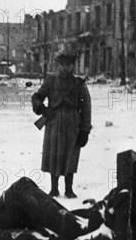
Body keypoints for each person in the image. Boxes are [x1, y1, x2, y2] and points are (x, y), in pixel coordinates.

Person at [31, 54, 92, 198]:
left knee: (71, 154)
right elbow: (37, 97)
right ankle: (54, 189)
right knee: (54, 153)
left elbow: (86, 108)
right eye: (62, 65)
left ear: (72, 66)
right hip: (53, 121)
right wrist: (42, 108)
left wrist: (85, 130)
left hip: (73, 124)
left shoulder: (79, 84)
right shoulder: (51, 81)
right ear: (58, 65)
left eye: (68, 65)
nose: (65, 68)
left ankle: (69, 189)